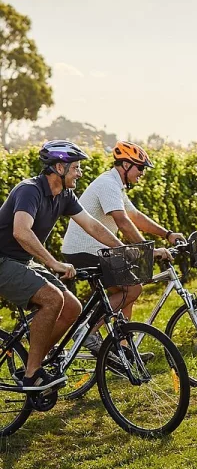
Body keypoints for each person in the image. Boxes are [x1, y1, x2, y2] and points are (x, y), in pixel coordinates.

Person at [0, 141, 125, 390]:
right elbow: (21, 232)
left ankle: (34, 361)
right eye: (76, 167)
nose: (79, 173)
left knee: (72, 308)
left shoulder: (65, 195)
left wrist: (122, 250)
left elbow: (93, 226)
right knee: (53, 298)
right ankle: (31, 374)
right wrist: (53, 262)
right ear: (59, 167)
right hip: (2, 261)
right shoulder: (30, 191)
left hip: (22, 262)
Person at [61, 141, 179, 356]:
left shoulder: (116, 186)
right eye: (140, 168)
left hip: (96, 249)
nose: (142, 173)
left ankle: (123, 350)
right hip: (86, 250)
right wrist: (149, 251)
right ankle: (86, 331)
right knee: (133, 289)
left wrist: (167, 234)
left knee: (126, 291)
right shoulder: (107, 184)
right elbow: (123, 222)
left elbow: (135, 217)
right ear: (125, 165)